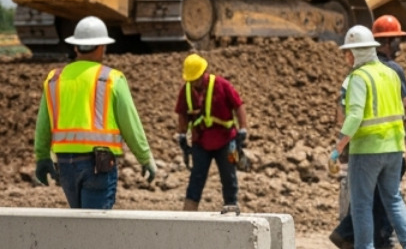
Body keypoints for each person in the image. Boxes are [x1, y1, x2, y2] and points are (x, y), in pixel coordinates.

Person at [33, 16, 157, 209]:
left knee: (80, 227)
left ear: (76, 47)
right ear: (102, 47)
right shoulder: (111, 78)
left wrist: (42, 156)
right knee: (95, 232)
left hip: (65, 164)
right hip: (98, 165)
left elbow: (43, 123)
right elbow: (130, 123)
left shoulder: (54, 79)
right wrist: (145, 157)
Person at [333, 24, 406, 249]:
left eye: (349, 52)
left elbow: (354, 116)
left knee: (361, 204)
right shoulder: (390, 74)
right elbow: (402, 108)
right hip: (394, 148)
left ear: (358, 52)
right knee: (393, 199)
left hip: (367, 150)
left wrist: (339, 145)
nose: (346, 57)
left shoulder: (358, 78)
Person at [175, 53, 247, 212]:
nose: (194, 82)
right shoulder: (186, 91)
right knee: (196, 178)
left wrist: (243, 129)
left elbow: (238, 105)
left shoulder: (222, 85)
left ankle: (232, 208)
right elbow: (182, 114)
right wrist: (181, 135)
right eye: (191, 79)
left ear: (203, 73)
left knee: (230, 176)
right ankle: (189, 214)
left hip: (228, 141)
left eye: (196, 78)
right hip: (200, 143)